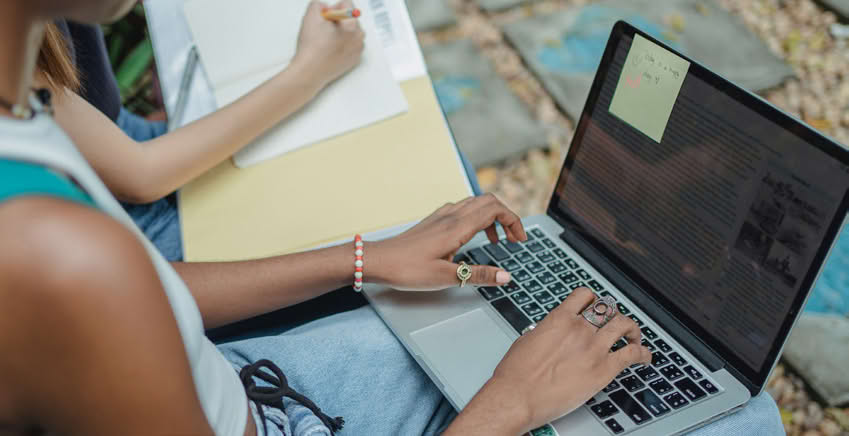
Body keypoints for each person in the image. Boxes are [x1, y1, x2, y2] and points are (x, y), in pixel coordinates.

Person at [0, 1, 785, 435]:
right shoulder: (58, 256)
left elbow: (143, 294)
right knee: (746, 416)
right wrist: (507, 406)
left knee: (474, 272)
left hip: (246, 389)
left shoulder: (22, 108)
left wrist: (363, 259)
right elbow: (109, 290)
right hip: (269, 413)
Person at [45, 6, 482, 262]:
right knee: (432, 207)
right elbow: (141, 176)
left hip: (113, 147)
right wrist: (311, 71)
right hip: (119, 224)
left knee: (434, 169)